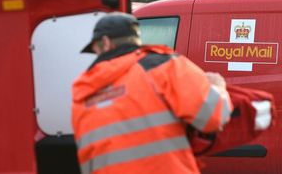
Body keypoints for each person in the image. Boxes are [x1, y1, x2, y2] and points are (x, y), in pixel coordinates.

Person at [71, 12, 233, 174]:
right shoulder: (162, 67)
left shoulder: (82, 94)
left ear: (105, 43)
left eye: (95, 49)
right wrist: (218, 88)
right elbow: (213, 116)